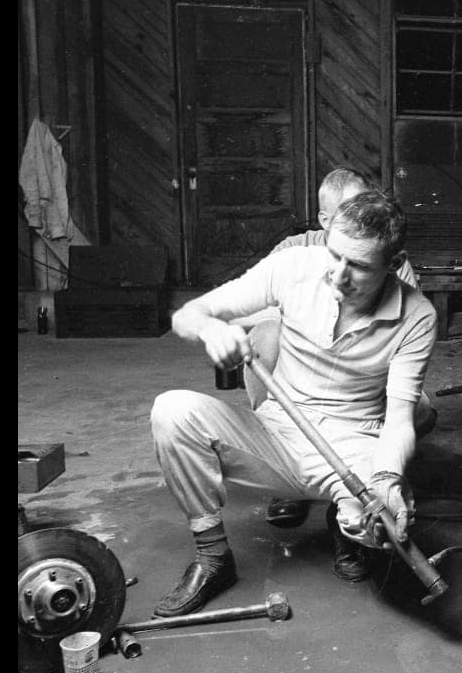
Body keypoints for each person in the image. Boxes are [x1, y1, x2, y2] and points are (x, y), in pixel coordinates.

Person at [151, 189, 437, 616]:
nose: (338, 276)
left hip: (352, 443)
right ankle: (213, 557)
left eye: (358, 265)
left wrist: (387, 479)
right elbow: (186, 313)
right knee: (172, 411)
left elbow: (398, 422)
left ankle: (346, 524)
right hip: (276, 434)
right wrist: (212, 330)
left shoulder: (417, 316)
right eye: (334, 255)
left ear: (394, 265)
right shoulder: (295, 268)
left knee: (372, 523)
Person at [234, 168, 427, 530]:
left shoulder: (384, 253)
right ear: (325, 220)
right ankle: (285, 461)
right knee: (266, 333)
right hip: (299, 388)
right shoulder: (293, 250)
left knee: (421, 413)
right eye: (347, 211)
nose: (361, 219)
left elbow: (408, 328)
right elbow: (249, 307)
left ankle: (362, 493)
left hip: (362, 390)